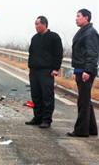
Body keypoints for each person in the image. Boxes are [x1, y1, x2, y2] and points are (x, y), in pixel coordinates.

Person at [26, 16, 63, 128]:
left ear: (44, 24)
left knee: (47, 96)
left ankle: (46, 120)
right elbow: (31, 52)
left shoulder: (54, 37)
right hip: (34, 71)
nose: (36, 26)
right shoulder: (35, 38)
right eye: (35, 24)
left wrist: (56, 68)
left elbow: (58, 54)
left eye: (38, 24)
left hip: (47, 71)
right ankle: (37, 117)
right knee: (36, 95)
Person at [67, 9, 98, 137]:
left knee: (83, 102)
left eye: (78, 16)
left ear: (86, 18)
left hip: (86, 71)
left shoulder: (90, 33)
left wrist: (88, 71)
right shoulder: (84, 31)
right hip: (80, 70)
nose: (76, 18)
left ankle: (81, 131)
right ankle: (91, 129)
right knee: (86, 100)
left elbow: (92, 54)